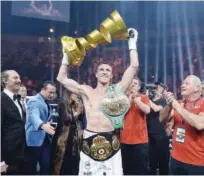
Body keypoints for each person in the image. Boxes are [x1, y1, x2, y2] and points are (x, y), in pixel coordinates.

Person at [57, 28, 139, 175]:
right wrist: (66, 57)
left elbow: (134, 67)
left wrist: (132, 43)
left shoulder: (117, 90)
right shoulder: (86, 91)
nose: (104, 72)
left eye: (108, 70)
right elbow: (61, 79)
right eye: (101, 69)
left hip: (111, 138)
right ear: (96, 74)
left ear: (112, 75)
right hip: (89, 138)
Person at [160, 75, 204, 175]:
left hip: (196, 162)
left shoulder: (202, 103)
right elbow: (162, 118)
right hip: (176, 159)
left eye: (187, 83)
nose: (182, 85)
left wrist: (177, 107)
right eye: (183, 83)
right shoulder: (179, 103)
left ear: (197, 88)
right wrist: (169, 105)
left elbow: (200, 124)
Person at [120, 78, 150, 175]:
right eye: (131, 83)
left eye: (135, 83)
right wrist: (130, 97)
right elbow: (121, 112)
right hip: (125, 139)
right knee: (127, 168)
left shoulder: (144, 97)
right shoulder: (123, 97)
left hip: (141, 140)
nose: (133, 85)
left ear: (139, 87)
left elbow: (147, 110)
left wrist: (137, 100)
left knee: (142, 169)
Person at [25, 81, 56, 175]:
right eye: (50, 92)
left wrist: (47, 124)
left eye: (54, 93)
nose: (52, 95)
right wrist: (43, 125)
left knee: (46, 166)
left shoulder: (45, 101)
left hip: (45, 139)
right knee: (31, 168)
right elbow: (34, 116)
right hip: (34, 140)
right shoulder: (34, 101)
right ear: (43, 89)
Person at [51, 90, 84, 175]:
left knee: (73, 158)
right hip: (63, 136)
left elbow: (81, 117)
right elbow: (66, 120)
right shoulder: (62, 105)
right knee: (62, 158)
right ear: (69, 94)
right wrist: (77, 113)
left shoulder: (74, 105)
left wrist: (80, 108)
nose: (77, 96)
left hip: (74, 135)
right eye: (75, 94)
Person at [1, 70, 26, 174]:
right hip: (7, 157)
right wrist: (0, 161)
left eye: (19, 78)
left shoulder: (17, 100)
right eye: (15, 78)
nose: (19, 80)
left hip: (20, 154)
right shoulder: (1, 99)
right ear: (5, 81)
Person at [147, 82, 170, 175]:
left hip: (160, 135)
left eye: (160, 87)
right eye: (156, 87)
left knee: (163, 162)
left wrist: (146, 98)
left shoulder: (164, 101)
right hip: (149, 134)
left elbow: (156, 108)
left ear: (163, 90)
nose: (157, 88)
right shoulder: (150, 99)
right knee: (151, 161)